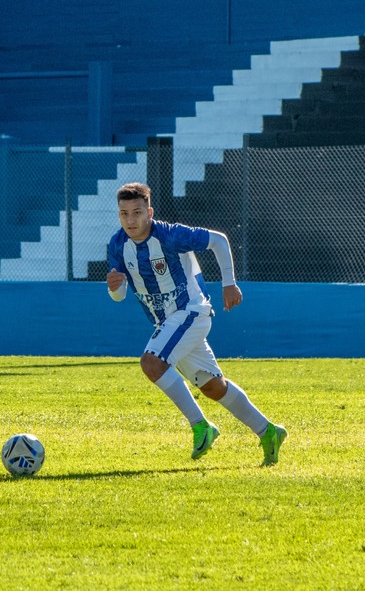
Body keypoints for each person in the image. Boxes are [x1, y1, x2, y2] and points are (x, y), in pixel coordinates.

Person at [105, 182, 286, 465]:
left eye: (137, 212)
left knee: (151, 362)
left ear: (149, 212)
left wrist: (229, 284)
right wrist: (114, 288)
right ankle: (269, 431)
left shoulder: (170, 235)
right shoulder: (117, 245)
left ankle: (201, 426)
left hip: (191, 311)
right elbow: (119, 295)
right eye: (124, 213)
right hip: (169, 323)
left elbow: (219, 241)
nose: (130, 220)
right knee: (213, 386)